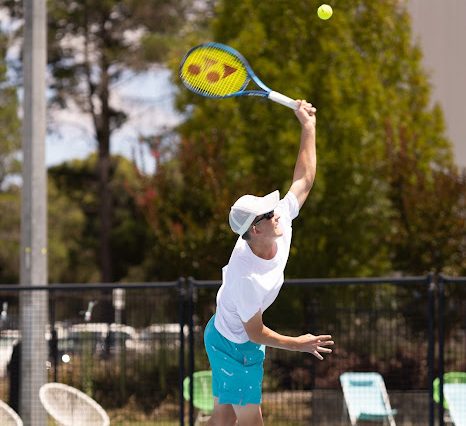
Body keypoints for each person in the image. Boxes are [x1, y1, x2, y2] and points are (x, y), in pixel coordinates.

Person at [204, 100, 334, 426]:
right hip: (234, 345)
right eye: (267, 212)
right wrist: (299, 344)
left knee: (222, 417)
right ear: (255, 229)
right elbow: (256, 332)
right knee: (250, 422)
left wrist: (308, 127)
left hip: (227, 335)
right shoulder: (244, 276)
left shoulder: (280, 222)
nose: (277, 212)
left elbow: (304, 179)